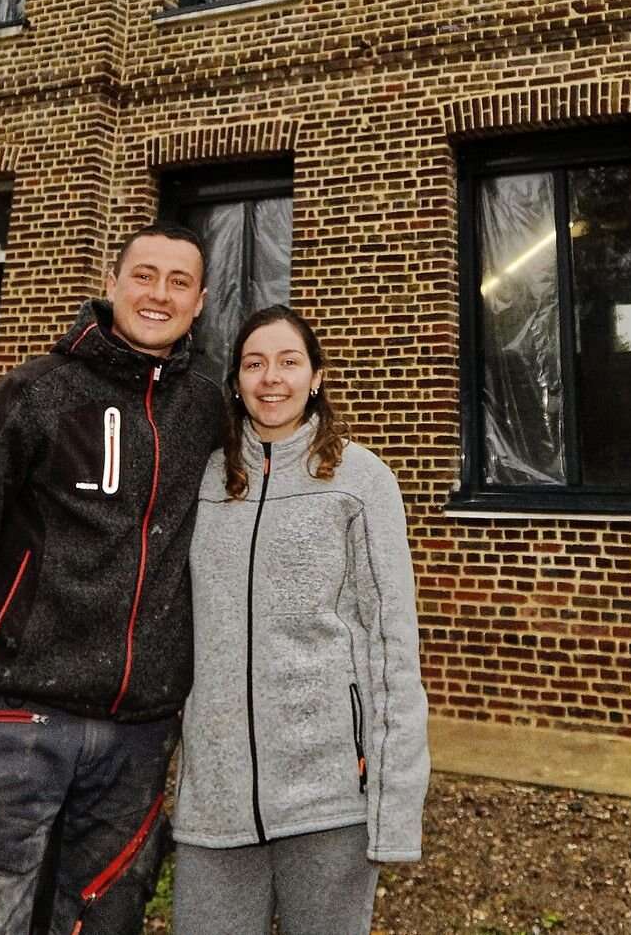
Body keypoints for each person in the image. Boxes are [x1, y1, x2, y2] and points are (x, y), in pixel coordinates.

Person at [0, 221, 226, 935]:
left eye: (179, 281)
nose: (158, 294)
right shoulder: (35, 392)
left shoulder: (208, 410)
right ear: (110, 282)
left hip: (137, 740)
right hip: (14, 726)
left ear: (199, 302)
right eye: (144, 274)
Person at [170, 306, 429, 935]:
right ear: (235, 381)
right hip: (214, 799)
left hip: (328, 796)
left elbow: (392, 644)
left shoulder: (361, 481)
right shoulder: (202, 480)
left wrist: (394, 810)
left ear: (316, 377)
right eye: (254, 364)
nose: (271, 379)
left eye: (289, 362)